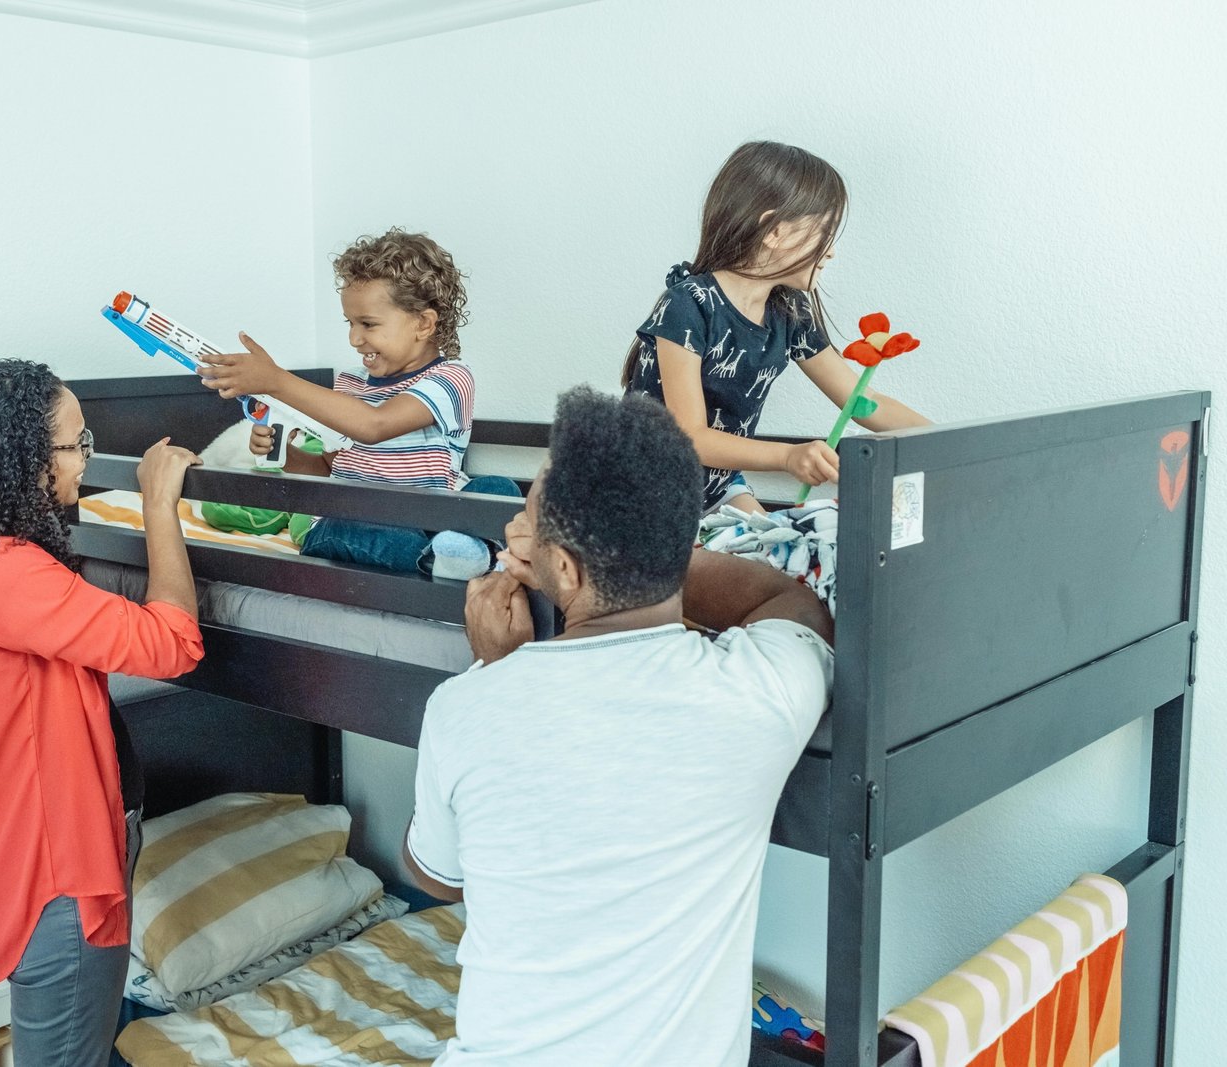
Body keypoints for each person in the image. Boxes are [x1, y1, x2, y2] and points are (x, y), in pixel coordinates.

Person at [403, 387, 834, 1067]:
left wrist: (495, 667)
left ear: (566, 568)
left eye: (530, 519)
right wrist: (646, 555)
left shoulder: (466, 707)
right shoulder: (761, 691)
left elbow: (439, 875)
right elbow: (792, 598)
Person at [0, 360, 204, 1067]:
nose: (85, 459)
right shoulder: (11, 570)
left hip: (13, 861)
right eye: (76, 445)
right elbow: (174, 643)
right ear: (21, 458)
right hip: (61, 872)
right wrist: (158, 506)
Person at [623, 140, 929, 514]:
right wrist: (787, 457)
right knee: (750, 568)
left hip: (718, 490)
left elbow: (862, 402)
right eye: (825, 231)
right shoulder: (689, 305)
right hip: (641, 496)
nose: (831, 250)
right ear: (775, 232)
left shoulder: (789, 312)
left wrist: (951, 443)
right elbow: (692, 438)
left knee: (779, 558)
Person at [197, 228, 519, 579]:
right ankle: (446, 560)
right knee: (350, 530)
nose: (354, 338)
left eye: (368, 324)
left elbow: (375, 426)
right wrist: (288, 457)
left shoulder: (452, 379)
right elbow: (330, 466)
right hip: (356, 520)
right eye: (350, 323)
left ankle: (460, 552)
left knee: (500, 490)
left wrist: (277, 381)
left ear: (423, 324)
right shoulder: (349, 384)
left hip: (430, 518)